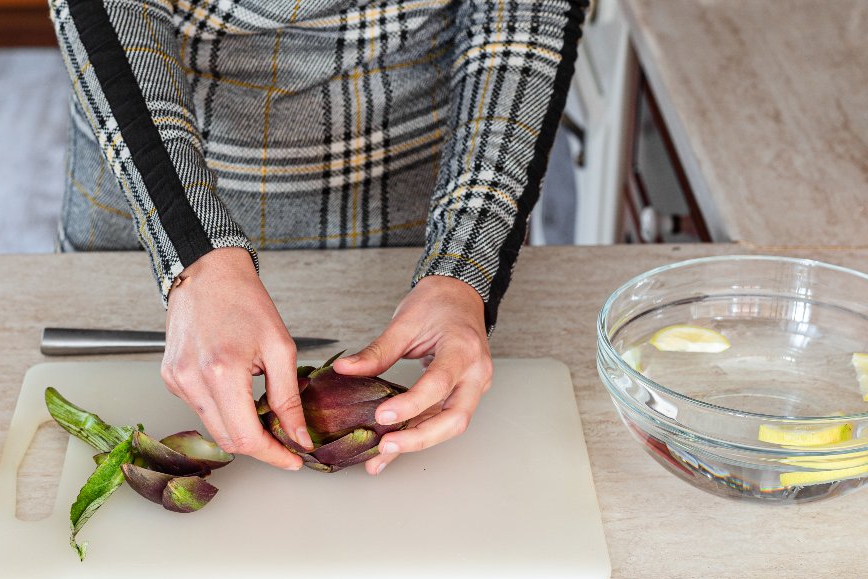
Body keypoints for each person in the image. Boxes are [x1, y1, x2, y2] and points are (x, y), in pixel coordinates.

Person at [49, 0, 586, 474]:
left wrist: (465, 266)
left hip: (409, 185)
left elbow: (524, 14)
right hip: (152, 169)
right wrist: (191, 252)